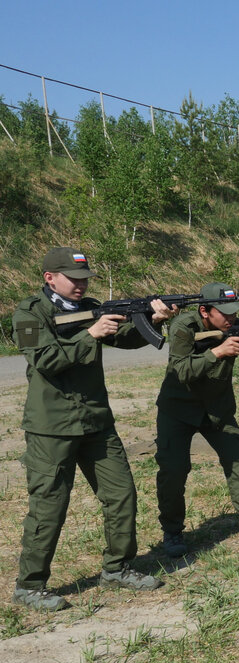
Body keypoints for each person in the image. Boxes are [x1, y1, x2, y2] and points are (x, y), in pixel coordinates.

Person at [11, 247, 173, 610]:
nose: (82, 284)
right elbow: (44, 359)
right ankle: (30, 585)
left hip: (96, 421)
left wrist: (155, 318)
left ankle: (117, 568)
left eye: (85, 278)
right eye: (74, 278)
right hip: (52, 427)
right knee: (49, 505)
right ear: (49, 277)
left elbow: (128, 338)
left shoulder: (93, 306)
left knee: (121, 495)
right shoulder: (29, 312)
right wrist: (91, 334)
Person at [155, 283, 239, 555]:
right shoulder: (183, 327)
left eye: (235, 313)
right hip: (177, 410)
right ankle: (172, 532)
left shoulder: (237, 328)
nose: (231, 319)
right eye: (224, 313)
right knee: (173, 471)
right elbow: (181, 371)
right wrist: (216, 352)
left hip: (217, 409)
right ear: (204, 311)